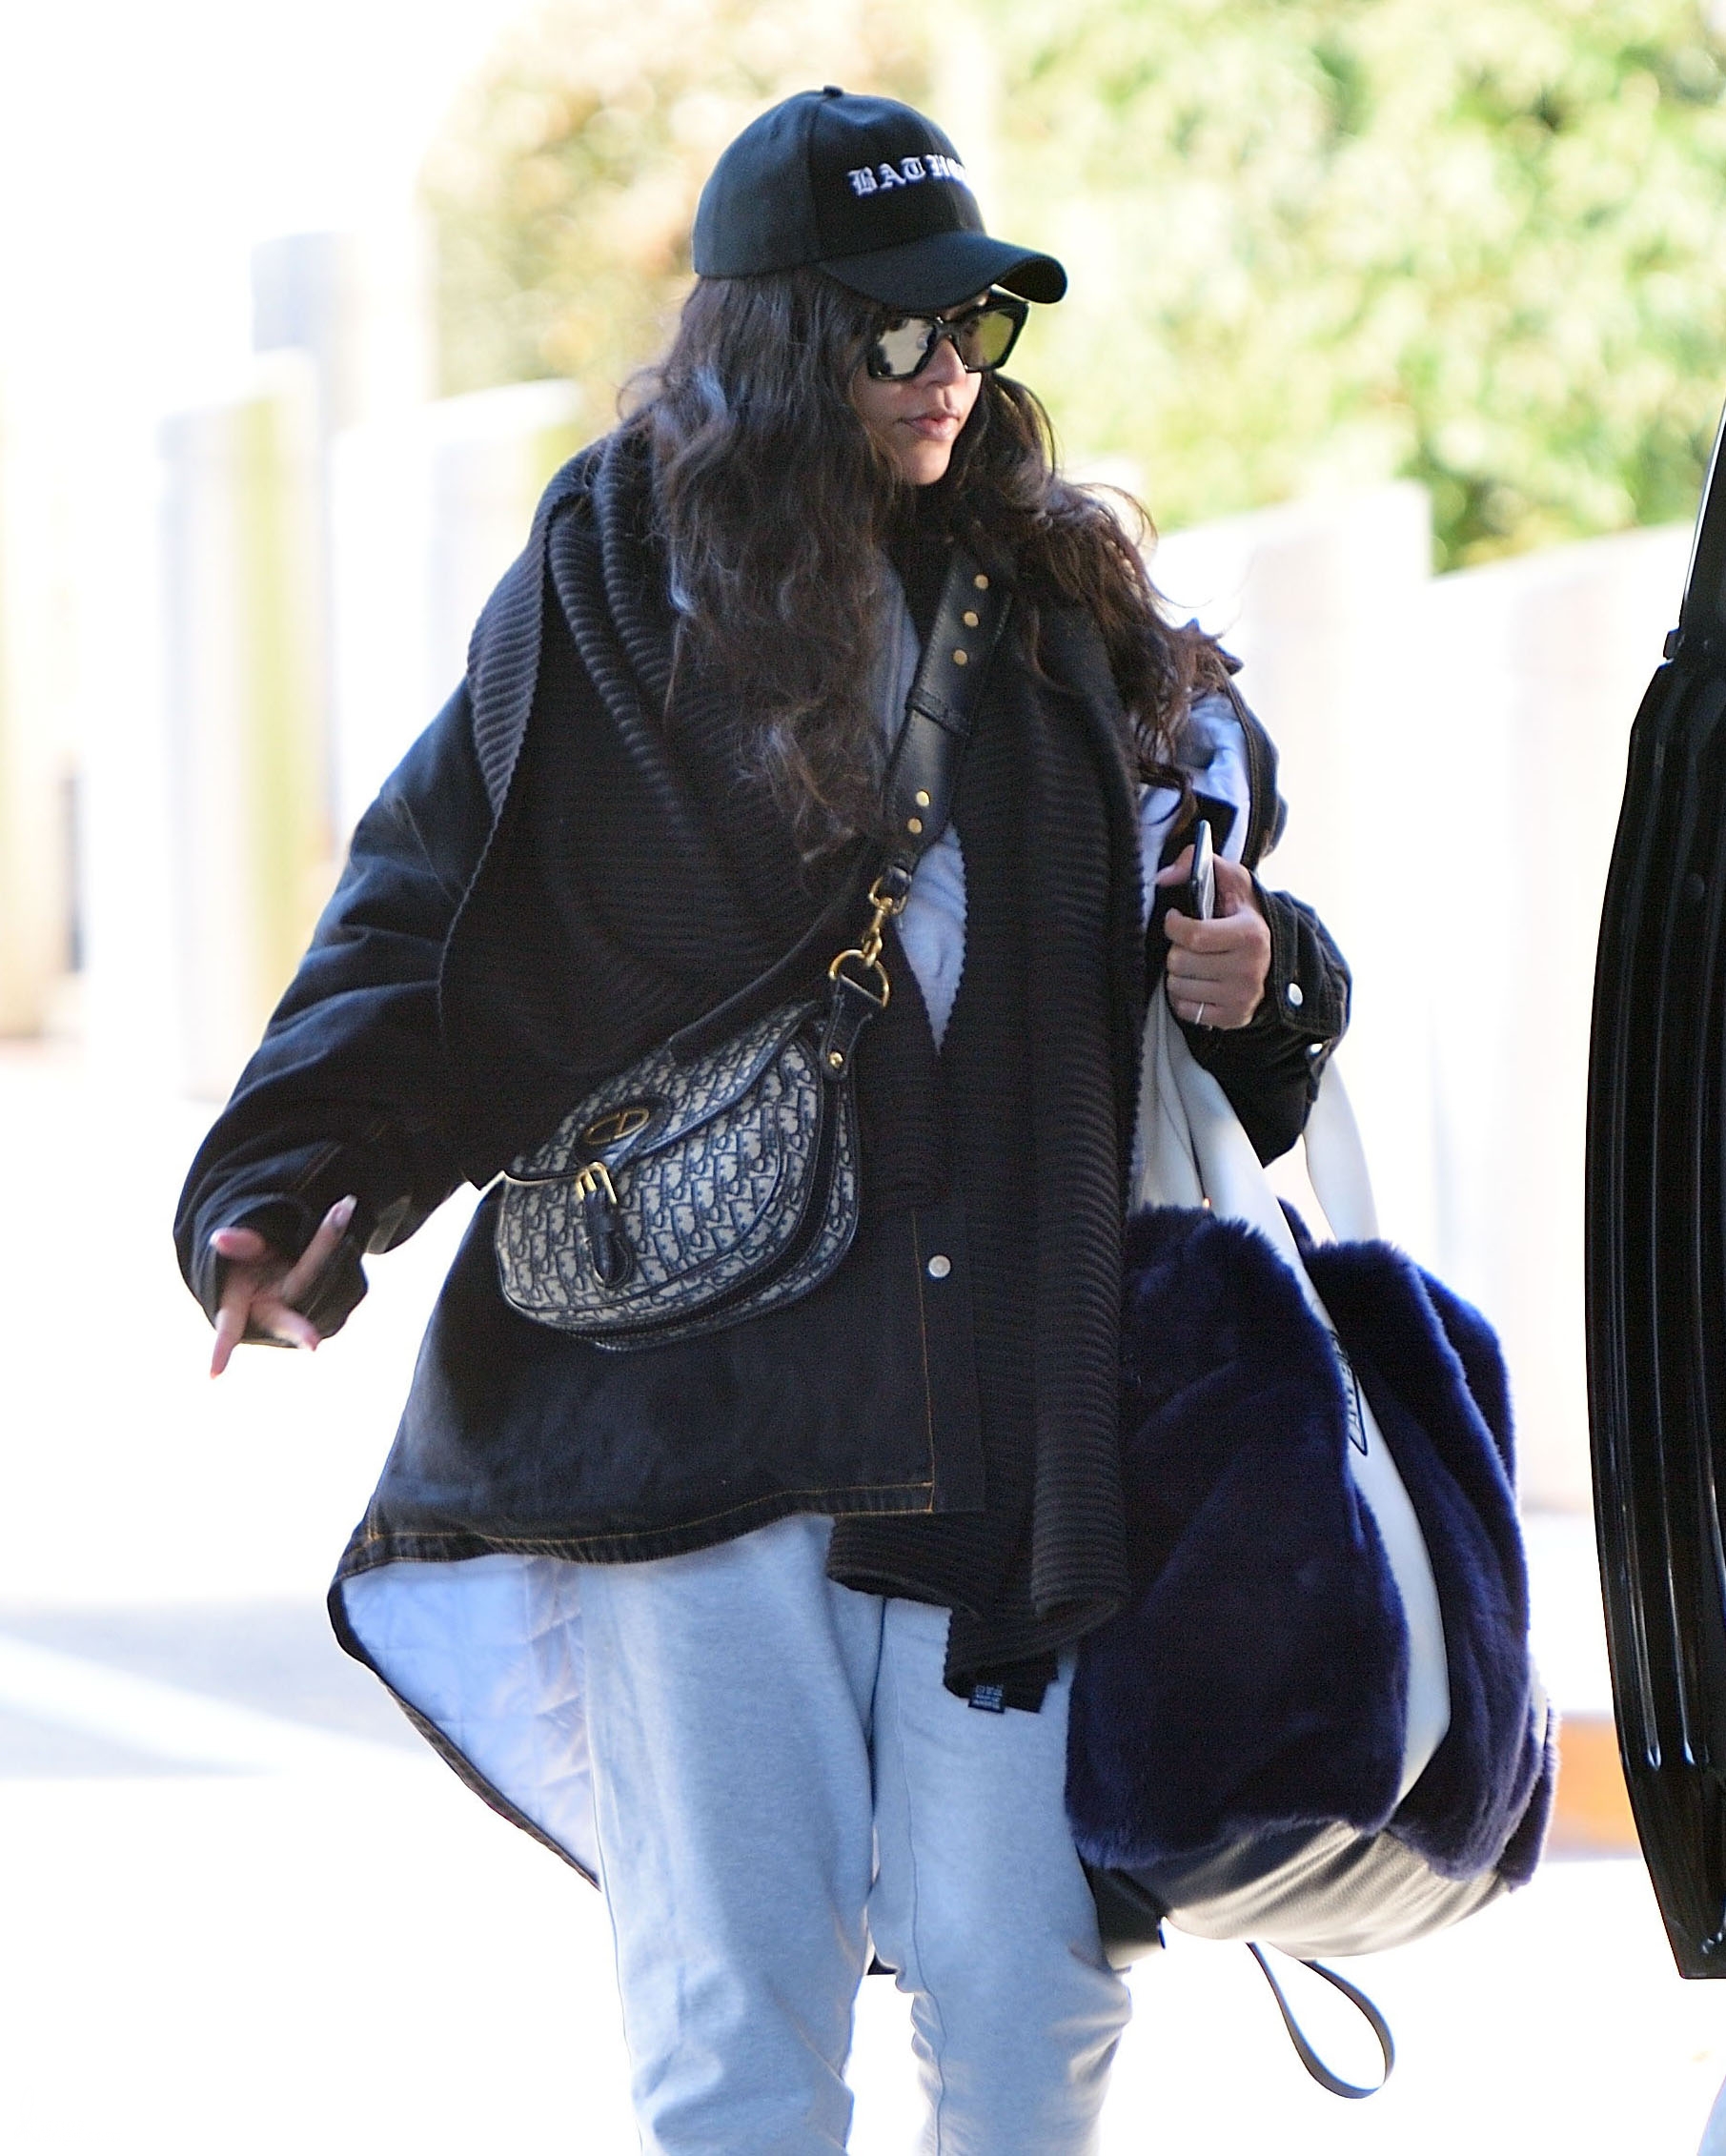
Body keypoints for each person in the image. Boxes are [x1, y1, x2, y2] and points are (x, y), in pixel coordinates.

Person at [176, 89, 1350, 2156]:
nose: (943, 374)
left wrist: (1261, 978)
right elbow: (427, 906)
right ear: (775, 342)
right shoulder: (609, 594)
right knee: (738, 2015)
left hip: (1005, 1423)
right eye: (892, 330)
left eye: (971, 327)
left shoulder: (1062, 604)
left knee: (1027, 1986)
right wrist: (285, 1190)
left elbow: (1228, 906)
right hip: (696, 1415)